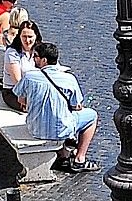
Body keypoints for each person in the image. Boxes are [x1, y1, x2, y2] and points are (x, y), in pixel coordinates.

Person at [18, 41, 100, 174]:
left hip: (34, 128)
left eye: (36, 56)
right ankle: (80, 159)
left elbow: (21, 100)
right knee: (92, 116)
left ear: (44, 60)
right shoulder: (69, 79)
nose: (33, 59)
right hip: (60, 129)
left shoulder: (29, 76)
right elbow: (77, 106)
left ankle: (64, 153)